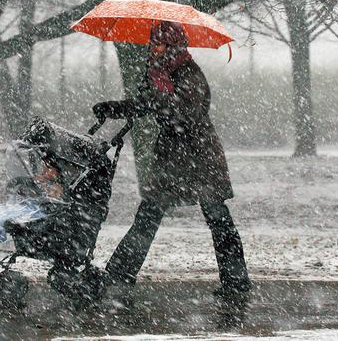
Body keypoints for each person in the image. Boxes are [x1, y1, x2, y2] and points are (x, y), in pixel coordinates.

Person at [92, 20, 251, 300]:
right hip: (171, 157)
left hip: (200, 157)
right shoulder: (156, 73)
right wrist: (116, 108)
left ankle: (236, 282)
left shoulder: (190, 73)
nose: (153, 48)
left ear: (173, 45)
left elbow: (186, 112)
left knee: (217, 216)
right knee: (149, 213)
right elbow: (143, 104)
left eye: (159, 44)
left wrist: (158, 98)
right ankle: (120, 274)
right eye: (152, 43)